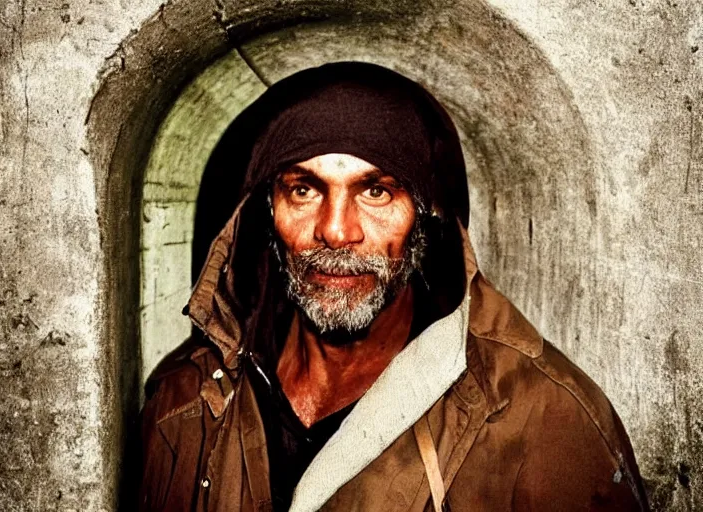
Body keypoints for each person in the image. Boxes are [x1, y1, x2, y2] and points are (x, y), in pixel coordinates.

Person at [137, 62, 649, 511]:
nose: (336, 230)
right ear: (267, 211)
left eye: (377, 191)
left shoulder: (542, 423)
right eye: (303, 189)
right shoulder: (186, 401)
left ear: (428, 214)